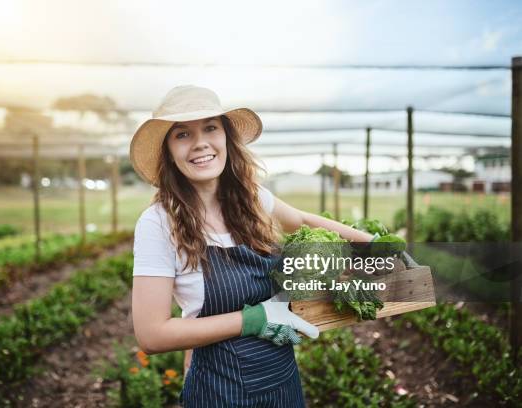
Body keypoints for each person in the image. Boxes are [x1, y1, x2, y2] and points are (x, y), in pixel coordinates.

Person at [131, 85, 373, 407]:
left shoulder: (252, 199)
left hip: (282, 382)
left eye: (210, 128)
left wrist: (376, 246)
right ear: (168, 151)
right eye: (182, 134)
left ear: (226, 137)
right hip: (220, 390)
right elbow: (152, 334)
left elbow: (301, 219)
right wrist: (254, 319)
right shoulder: (158, 223)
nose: (201, 142)